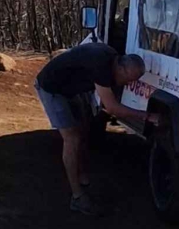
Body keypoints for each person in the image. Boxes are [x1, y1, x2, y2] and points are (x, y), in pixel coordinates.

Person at [34, 42, 152, 215]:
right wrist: (147, 115)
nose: (128, 84)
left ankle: (80, 173)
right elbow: (112, 107)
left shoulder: (112, 58)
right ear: (121, 69)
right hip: (52, 88)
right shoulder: (101, 66)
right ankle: (77, 197)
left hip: (73, 90)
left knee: (83, 129)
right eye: (129, 80)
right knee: (72, 138)